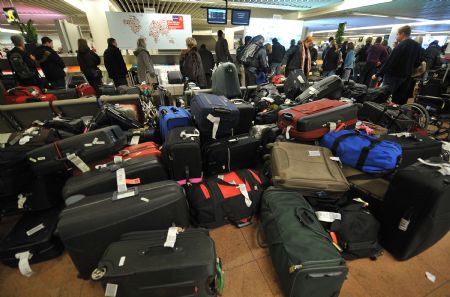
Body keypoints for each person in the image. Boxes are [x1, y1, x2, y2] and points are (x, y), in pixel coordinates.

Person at [372, 26, 422, 104]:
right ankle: (393, 113)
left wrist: (378, 74)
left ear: (402, 34)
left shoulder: (401, 45)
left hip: (393, 76)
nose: (396, 37)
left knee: (382, 95)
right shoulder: (417, 46)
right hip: (406, 77)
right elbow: (418, 62)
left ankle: (377, 110)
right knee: (397, 98)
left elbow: (390, 62)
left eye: (397, 34)